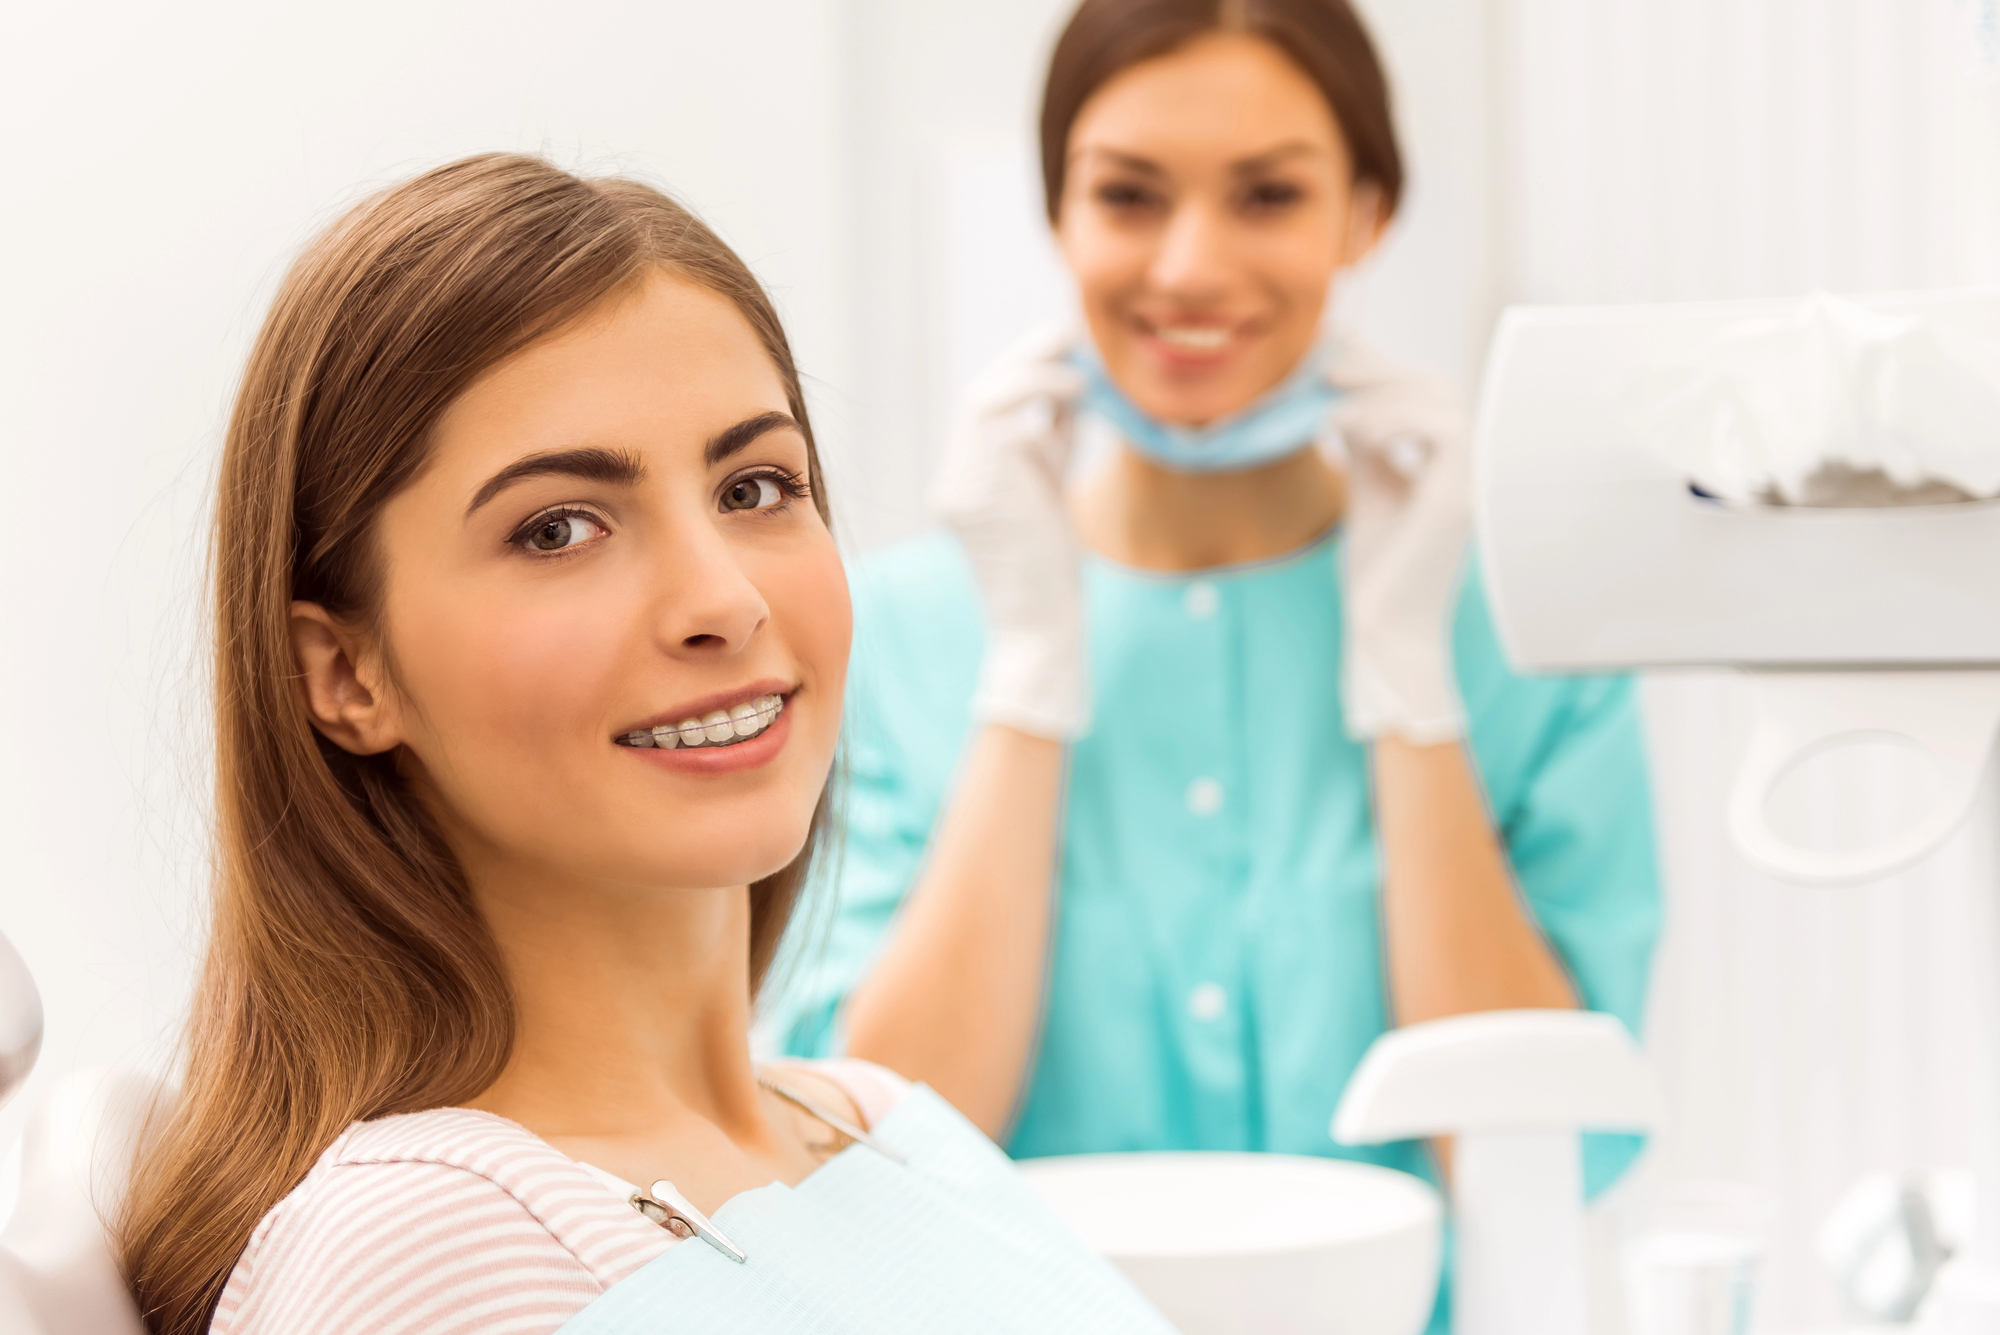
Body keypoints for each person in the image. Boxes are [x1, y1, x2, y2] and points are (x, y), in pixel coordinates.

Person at [117, 154, 1177, 1335]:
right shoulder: (425, 1251)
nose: (720, 598)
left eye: (755, 487)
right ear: (347, 673)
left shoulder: (880, 1126)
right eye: (558, 528)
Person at [769, 2, 1661, 1326]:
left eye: (1268, 195)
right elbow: (863, 1165)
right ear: (1059, 215)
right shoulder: (890, 638)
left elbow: (1546, 1148)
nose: (1190, 264)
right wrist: (1025, 680)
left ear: (1368, 213)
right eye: (1128, 195)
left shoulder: (1529, 640)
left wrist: (1413, 685)